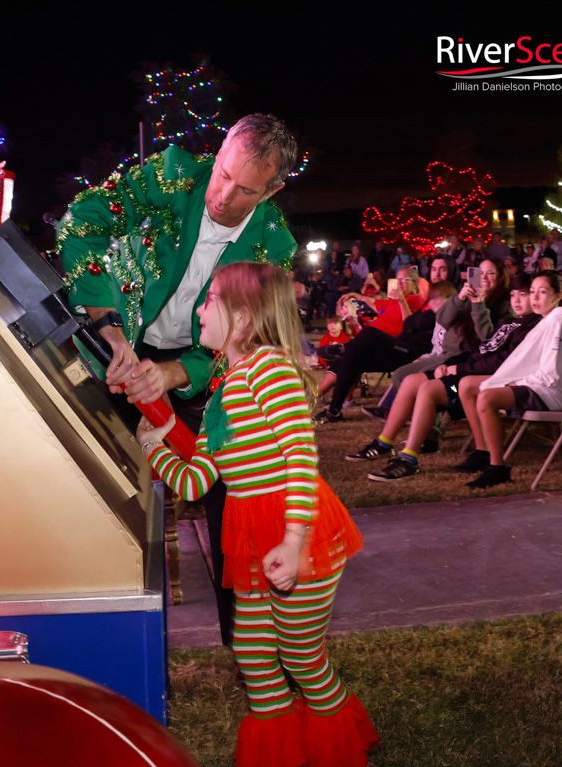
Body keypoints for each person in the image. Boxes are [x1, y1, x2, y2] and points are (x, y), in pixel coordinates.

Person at [59, 113, 299, 645]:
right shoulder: (170, 176)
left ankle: (247, 644)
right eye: (222, 174)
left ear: (273, 189)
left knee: (234, 489)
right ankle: (99, 630)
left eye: (244, 191)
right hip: (115, 351)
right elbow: (82, 222)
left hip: (200, 372)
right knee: (88, 480)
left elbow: (250, 344)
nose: (222, 196)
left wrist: (174, 373)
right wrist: (108, 328)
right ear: (217, 155)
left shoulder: (273, 248)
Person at [136, 262, 378, 767]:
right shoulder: (223, 387)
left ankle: (338, 751)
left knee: (301, 657)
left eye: (209, 301)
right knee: (251, 652)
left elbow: (300, 453)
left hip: (299, 533)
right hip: (249, 534)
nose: (200, 310)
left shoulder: (269, 368)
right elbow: (198, 479)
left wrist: (293, 540)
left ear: (243, 320)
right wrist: (153, 447)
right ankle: (280, 753)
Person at [350, 274, 540, 480]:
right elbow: (482, 348)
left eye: (524, 295)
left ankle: (408, 459)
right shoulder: (512, 322)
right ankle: (384, 442)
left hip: (476, 382)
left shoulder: (529, 326)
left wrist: (458, 369)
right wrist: (451, 364)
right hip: (465, 371)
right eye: (514, 295)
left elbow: (501, 360)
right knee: (411, 380)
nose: (517, 300)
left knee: (428, 388)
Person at [466, 271, 562, 489]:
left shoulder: (560, 322)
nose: (534, 298)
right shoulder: (548, 320)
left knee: (487, 398)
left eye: (542, 292)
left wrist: (515, 383)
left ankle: (497, 468)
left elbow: (551, 375)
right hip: (539, 385)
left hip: (552, 393)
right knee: (469, 386)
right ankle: (482, 452)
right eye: (532, 292)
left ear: (558, 295)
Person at [313, 273, 454, 424]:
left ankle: (344, 348)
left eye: (404, 280)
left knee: (369, 334)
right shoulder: (424, 306)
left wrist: (402, 302)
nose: (400, 283)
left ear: (415, 283)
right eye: (397, 279)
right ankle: (334, 411)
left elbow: (414, 330)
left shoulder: (431, 306)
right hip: (396, 347)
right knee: (352, 357)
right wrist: (361, 297)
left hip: (411, 351)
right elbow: (406, 325)